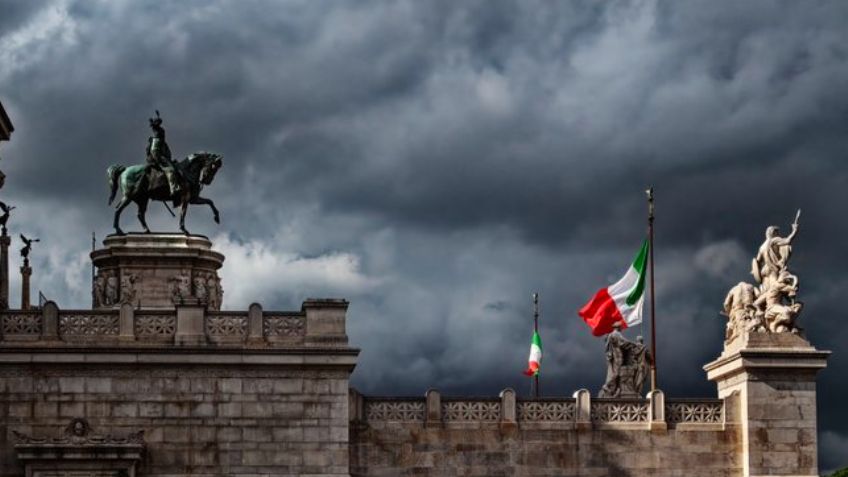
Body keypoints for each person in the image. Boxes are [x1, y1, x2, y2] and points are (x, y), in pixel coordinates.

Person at [146, 110, 181, 195]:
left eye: (160, 122)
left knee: (173, 167)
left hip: (160, 153)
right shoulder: (156, 131)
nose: (159, 123)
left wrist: (157, 118)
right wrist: (152, 121)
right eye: (158, 122)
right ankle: (173, 189)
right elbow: (153, 125)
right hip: (157, 154)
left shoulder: (161, 131)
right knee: (171, 170)